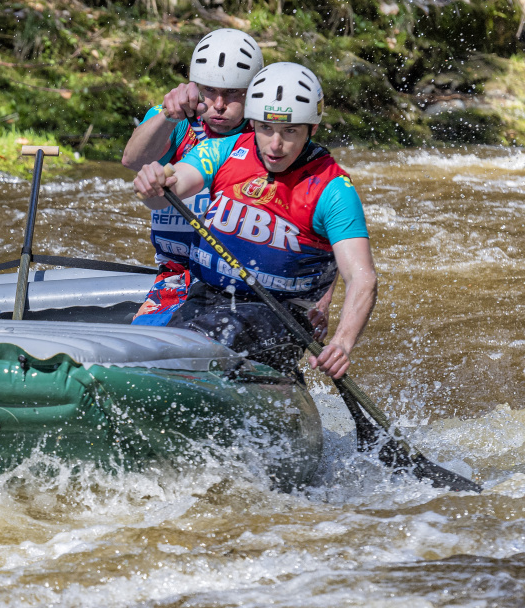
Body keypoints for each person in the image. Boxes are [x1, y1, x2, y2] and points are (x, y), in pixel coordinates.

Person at [132, 63, 377, 380]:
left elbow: (362, 278)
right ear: (253, 122)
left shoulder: (333, 189)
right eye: (266, 128)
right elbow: (167, 191)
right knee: (165, 351)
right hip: (206, 297)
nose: (275, 144)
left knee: (216, 334)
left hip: (280, 315)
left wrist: (342, 343)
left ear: (312, 129)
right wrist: (154, 183)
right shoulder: (224, 150)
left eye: (290, 131)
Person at [122, 28, 265, 326]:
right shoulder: (173, 119)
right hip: (175, 277)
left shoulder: (268, 139)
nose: (219, 104)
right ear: (196, 87)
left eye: (232, 93)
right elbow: (132, 160)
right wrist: (168, 115)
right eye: (210, 91)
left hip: (236, 282)